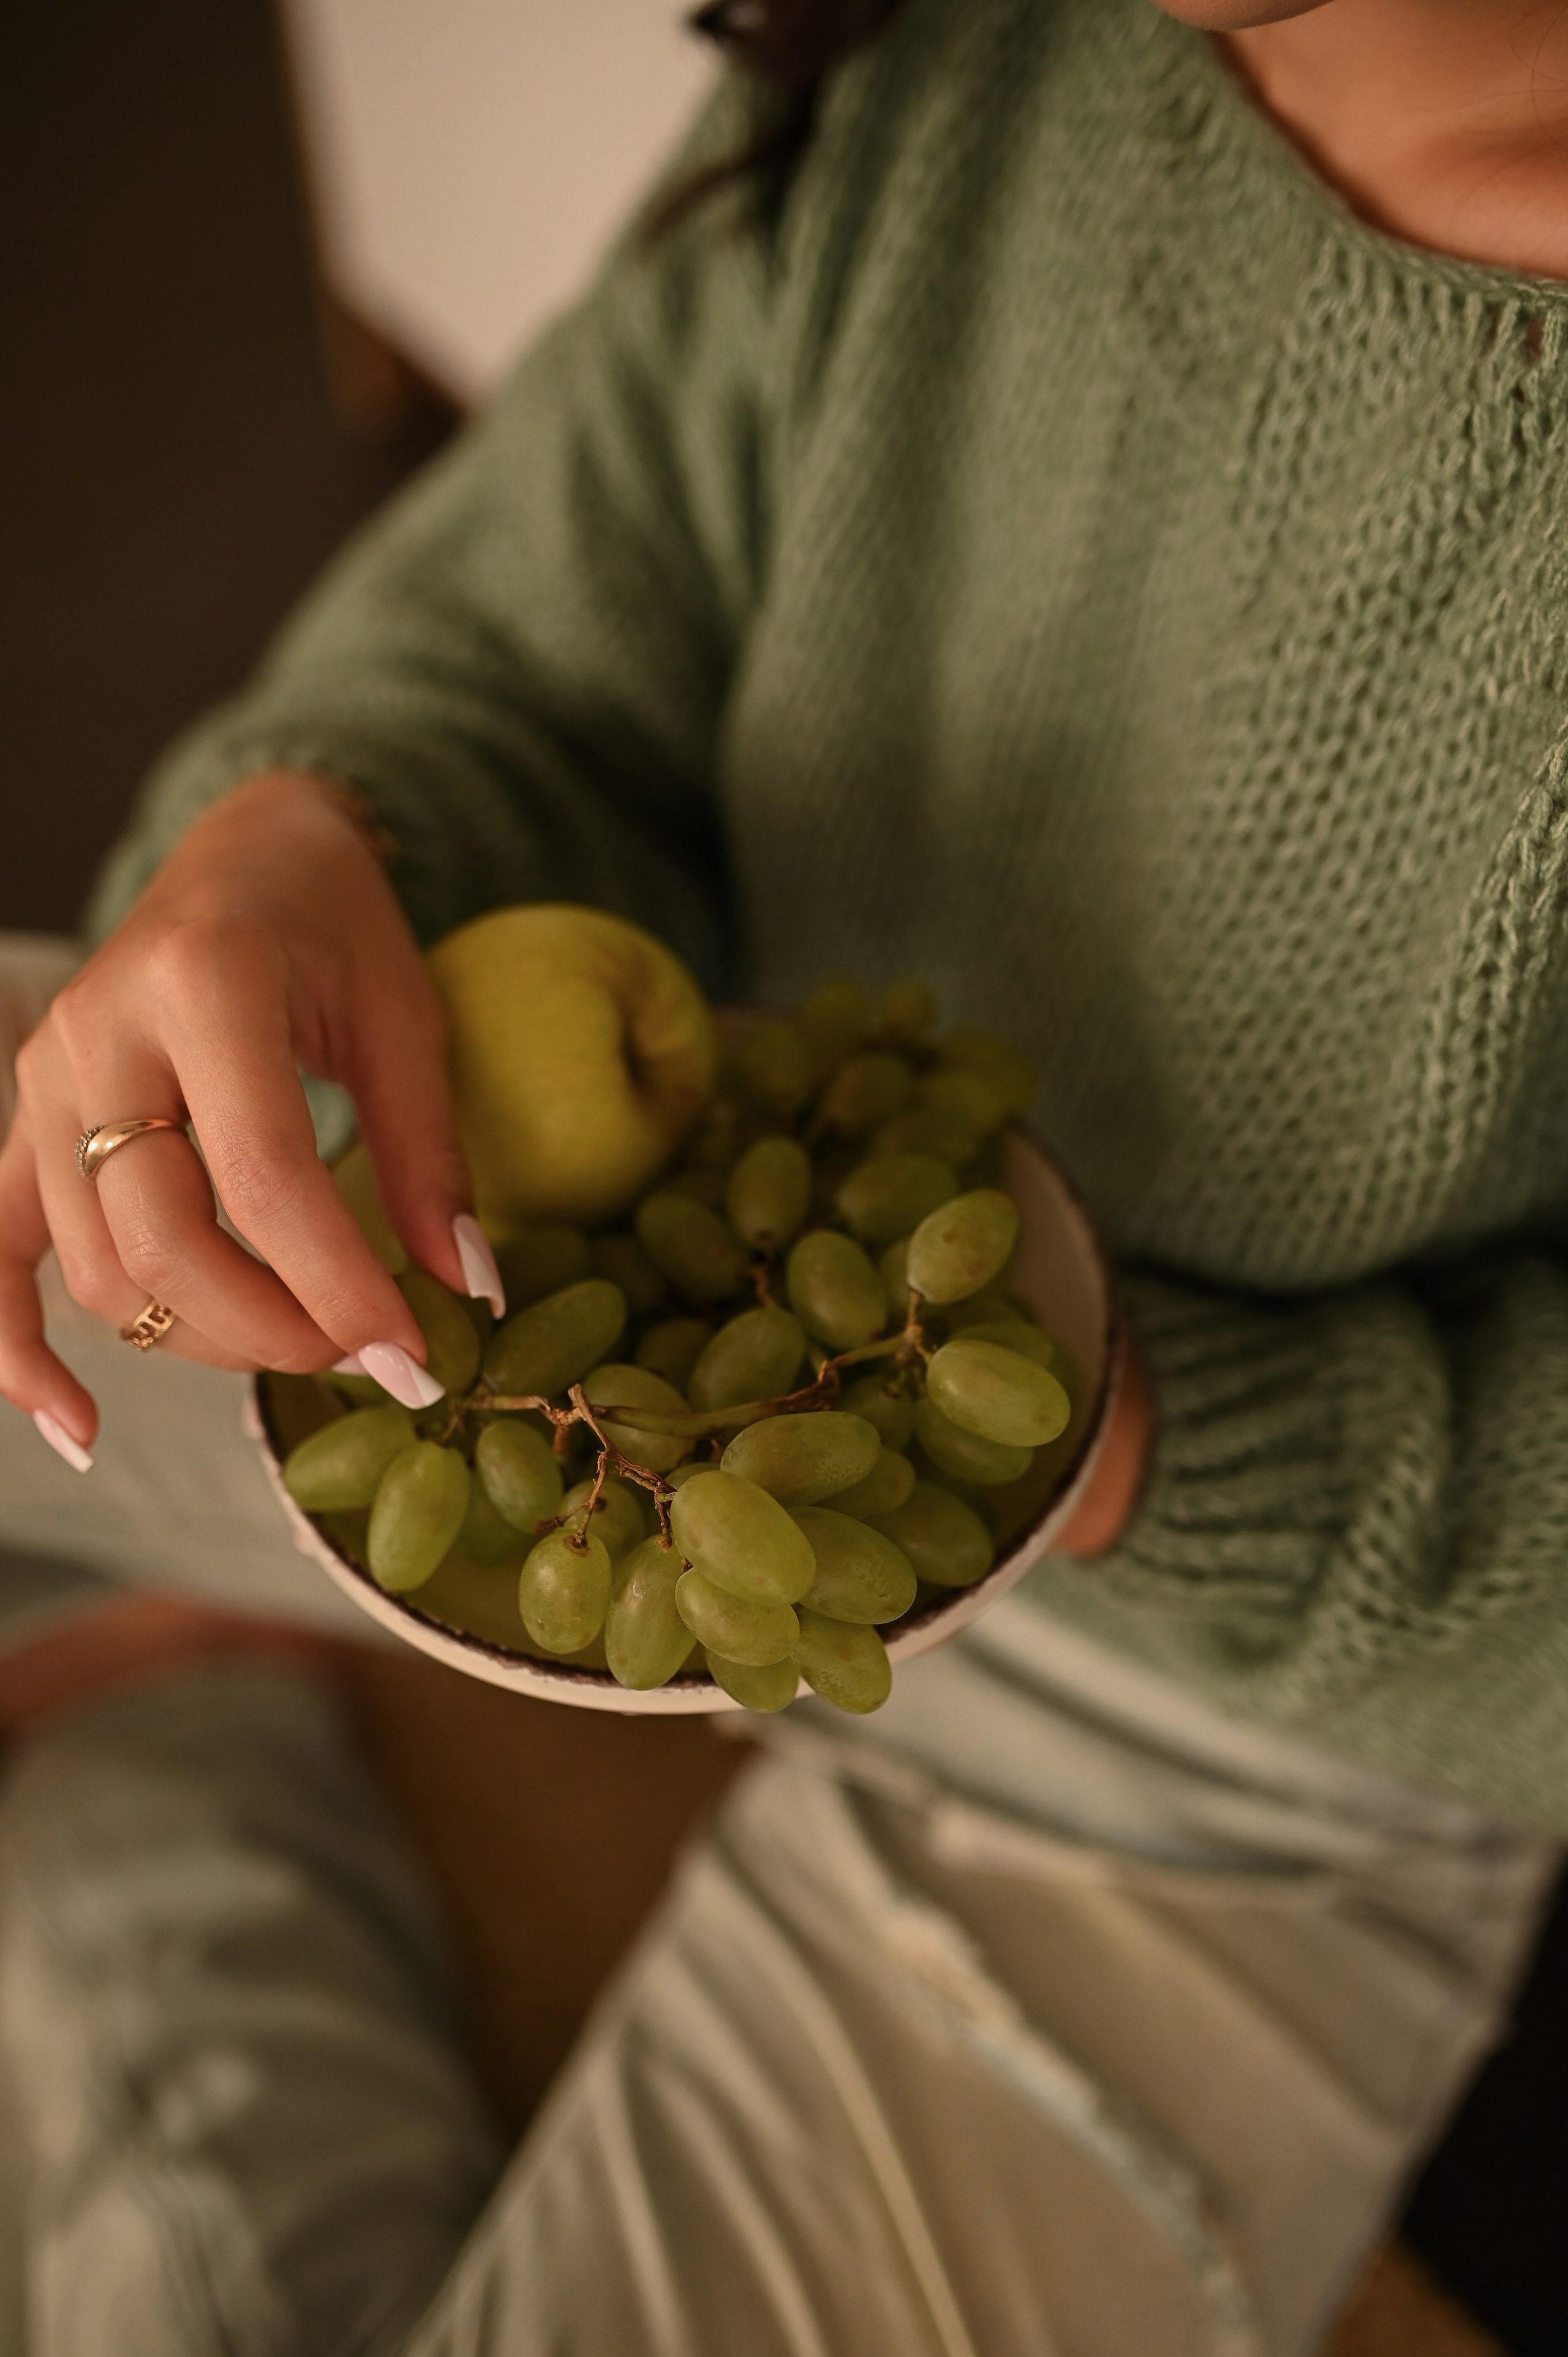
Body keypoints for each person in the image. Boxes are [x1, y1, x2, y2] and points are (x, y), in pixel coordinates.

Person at [1, 0, 1566, 2346]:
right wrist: (306, 827)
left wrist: (1130, 1452)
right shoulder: (965, 56)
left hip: (1279, 1717)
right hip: (565, 1299)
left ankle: (142, 1791)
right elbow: (543, 625)